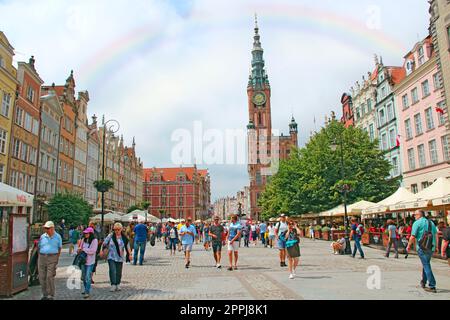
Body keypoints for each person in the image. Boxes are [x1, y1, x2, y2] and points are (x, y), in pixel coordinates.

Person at [407, 210, 439, 293]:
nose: (414, 216)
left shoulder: (417, 223)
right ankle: (423, 282)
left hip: (422, 247)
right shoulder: (431, 223)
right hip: (431, 247)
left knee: (426, 265)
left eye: (415, 215)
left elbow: (413, 236)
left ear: (419, 215)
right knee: (426, 264)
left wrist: (408, 246)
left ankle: (432, 285)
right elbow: (436, 235)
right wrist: (436, 246)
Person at [102, 223, 132, 292]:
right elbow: (104, 243)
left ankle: (118, 284)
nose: (117, 231)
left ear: (121, 229)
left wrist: (130, 254)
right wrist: (101, 250)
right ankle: (113, 284)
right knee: (112, 270)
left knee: (118, 271)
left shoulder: (124, 237)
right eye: (115, 229)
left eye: (118, 229)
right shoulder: (111, 236)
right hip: (111, 256)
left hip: (120, 257)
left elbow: (127, 246)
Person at [38, 221, 62, 300]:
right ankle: (44, 294)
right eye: (45, 228)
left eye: (48, 228)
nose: (46, 230)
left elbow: (59, 248)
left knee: (49, 276)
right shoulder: (42, 236)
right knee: (42, 276)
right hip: (42, 257)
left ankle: (50, 294)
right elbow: (39, 247)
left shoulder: (58, 237)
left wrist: (56, 258)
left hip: (52, 257)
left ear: (52, 228)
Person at [78, 227, 98, 299]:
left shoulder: (94, 240)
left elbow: (93, 251)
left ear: (91, 234)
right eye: (85, 233)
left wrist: (84, 249)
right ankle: (86, 288)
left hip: (90, 261)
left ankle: (87, 291)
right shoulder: (83, 239)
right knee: (83, 276)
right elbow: (81, 247)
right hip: (83, 261)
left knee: (88, 277)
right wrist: (80, 249)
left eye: (87, 233)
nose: (85, 234)